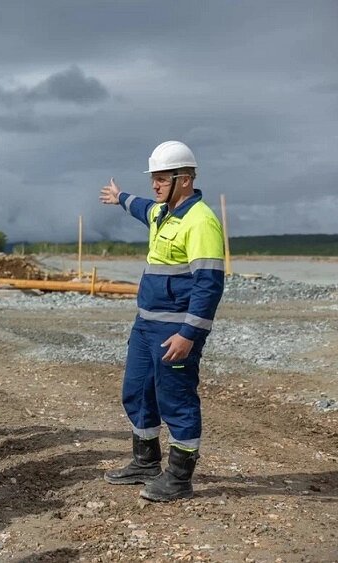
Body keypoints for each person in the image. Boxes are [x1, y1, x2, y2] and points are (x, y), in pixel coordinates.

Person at [99, 140, 225, 502]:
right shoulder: (160, 212)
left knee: (177, 400)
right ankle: (146, 463)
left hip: (176, 330)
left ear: (183, 179)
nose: (154, 185)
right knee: (137, 392)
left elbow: (210, 284)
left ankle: (180, 478)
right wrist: (120, 196)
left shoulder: (201, 222)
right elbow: (140, 208)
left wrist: (189, 334)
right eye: (152, 178)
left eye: (161, 178)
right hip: (146, 325)